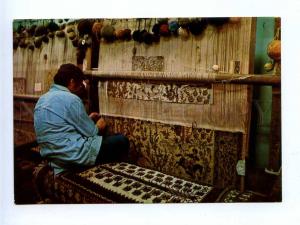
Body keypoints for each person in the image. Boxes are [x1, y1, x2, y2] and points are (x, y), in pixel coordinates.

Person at [34, 63, 129, 175]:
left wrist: (87, 119)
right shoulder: (72, 99)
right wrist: (99, 125)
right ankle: (111, 173)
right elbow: (92, 133)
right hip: (73, 157)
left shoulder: (42, 100)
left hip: (53, 157)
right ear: (72, 81)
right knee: (121, 140)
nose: (81, 87)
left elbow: (62, 125)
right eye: (80, 84)